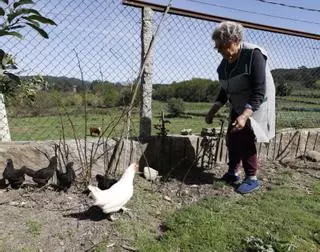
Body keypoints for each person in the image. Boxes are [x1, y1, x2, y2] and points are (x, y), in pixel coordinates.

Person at [205, 21, 275, 194]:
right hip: (238, 103)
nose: (220, 51)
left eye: (222, 46)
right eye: (217, 48)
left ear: (235, 40)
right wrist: (213, 110)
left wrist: (244, 116)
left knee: (245, 138)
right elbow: (225, 89)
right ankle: (233, 172)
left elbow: (259, 91)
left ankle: (252, 178)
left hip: (258, 103)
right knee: (232, 137)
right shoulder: (224, 65)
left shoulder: (254, 55)